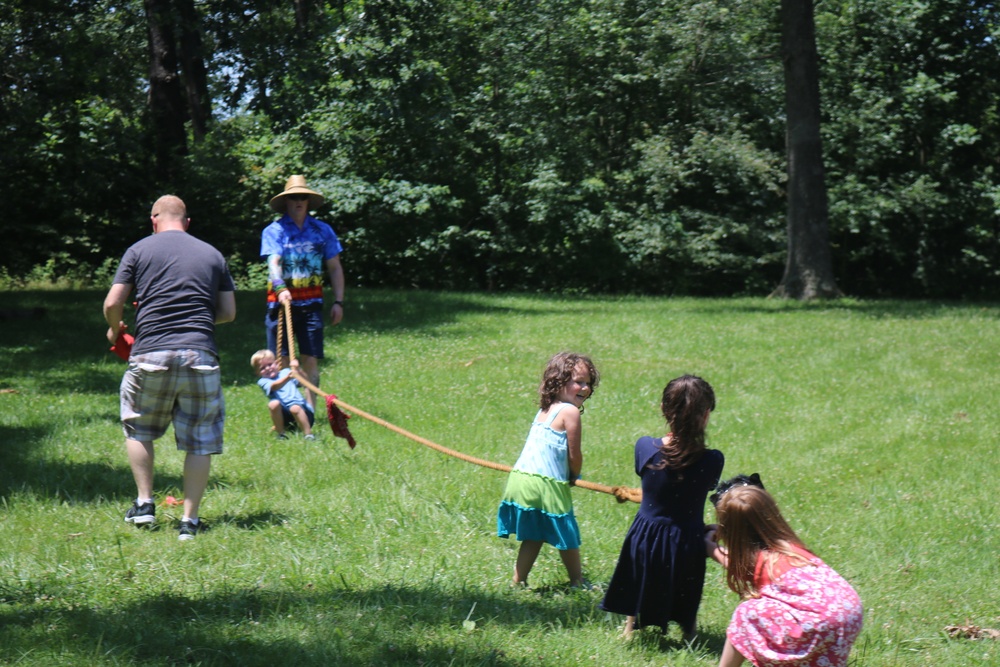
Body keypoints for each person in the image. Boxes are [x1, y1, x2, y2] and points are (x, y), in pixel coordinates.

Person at [103, 195, 237, 541]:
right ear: (187, 222)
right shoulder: (213, 254)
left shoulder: (139, 250)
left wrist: (116, 328)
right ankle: (189, 524)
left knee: (139, 428)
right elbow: (228, 313)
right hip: (200, 355)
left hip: (151, 355)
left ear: (154, 221)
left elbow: (113, 302)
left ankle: (145, 505)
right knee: (199, 440)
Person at [600, 375, 725, 639]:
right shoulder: (712, 460)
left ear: (663, 410)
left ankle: (629, 628)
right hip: (686, 538)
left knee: (641, 581)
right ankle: (689, 632)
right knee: (686, 589)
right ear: (705, 415)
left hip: (644, 535)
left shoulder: (646, 447)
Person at [704, 475, 864, 667]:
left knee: (746, 614)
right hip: (848, 610)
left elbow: (737, 566)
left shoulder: (764, 560)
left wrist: (710, 548)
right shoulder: (790, 548)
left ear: (730, 530)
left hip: (823, 619)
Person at [496, 352, 600, 587]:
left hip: (521, 479)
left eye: (588, 383)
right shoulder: (570, 412)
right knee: (567, 532)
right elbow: (574, 454)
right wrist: (575, 475)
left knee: (536, 534)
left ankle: (518, 580)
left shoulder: (546, 409)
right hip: (546, 483)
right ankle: (577, 581)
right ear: (558, 381)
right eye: (578, 381)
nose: (585, 388)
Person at [260, 175, 345, 410]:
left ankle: (309, 411)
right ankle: (287, 411)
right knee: (281, 361)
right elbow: (273, 262)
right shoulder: (274, 231)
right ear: (286, 202)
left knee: (310, 359)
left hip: (311, 305)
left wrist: (339, 301)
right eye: (294, 197)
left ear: (308, 201)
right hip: (279, 305)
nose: (299, 201)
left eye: (303, 197)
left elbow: (335, 267)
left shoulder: (322, 230)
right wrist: (280, 288)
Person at [250, 349, 315, 440]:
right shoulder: (263, 381)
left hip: (304, 413)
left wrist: (298, 369)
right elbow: (275, 387)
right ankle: (281, 434)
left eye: (270, 364)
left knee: (294, 407)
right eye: (262, 368)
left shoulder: (286, 371)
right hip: (286, 418)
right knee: (273, 404)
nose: (268, 368)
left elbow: (305, 382)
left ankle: (308, 434)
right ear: (257, 373)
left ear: (276, 363)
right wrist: (288, 377)